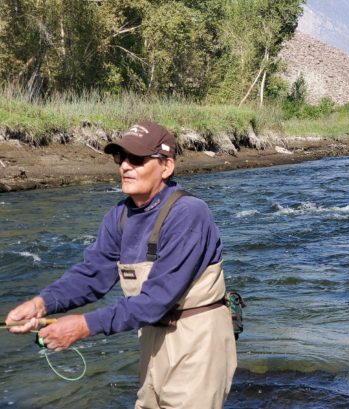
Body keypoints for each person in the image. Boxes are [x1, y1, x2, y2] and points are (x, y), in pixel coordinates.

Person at [4, 122, 236, 408]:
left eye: (136, 159)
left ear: (167, 167)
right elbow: (92, 274)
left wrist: (83, 325)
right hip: (151, 336)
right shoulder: (119, 215)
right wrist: (41, 304)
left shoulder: (189, 213)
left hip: (198, 340)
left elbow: (156, 299)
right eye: (120, 158)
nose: (125, 166)